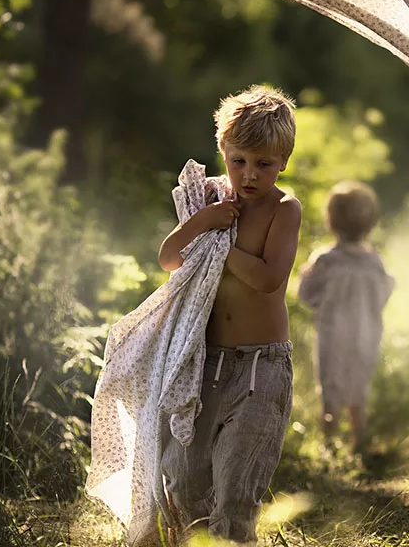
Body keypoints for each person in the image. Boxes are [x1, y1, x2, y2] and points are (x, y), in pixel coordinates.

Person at [156, 85, 301, 545]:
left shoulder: (284, 209)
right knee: (185, 479)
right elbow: (169, 258)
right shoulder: (211, 204)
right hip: (206, 365)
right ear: (224, 152)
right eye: (239, 160)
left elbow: (267, 278)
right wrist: (203, 223)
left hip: (261, 368)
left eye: (264, 164)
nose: (249, 174)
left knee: (237, 483)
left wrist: (221, 245)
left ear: (283, 163)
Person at [298, 181, 395, 456]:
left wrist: (307, 277)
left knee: (331, 388)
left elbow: (306, 295)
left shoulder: (326, 261)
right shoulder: (374, 262)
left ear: (331, 221)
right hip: (367, 336)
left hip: (333, 336)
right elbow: (385, 293)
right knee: (359, 388)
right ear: (370, 223)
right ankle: (359, 444)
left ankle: (329, 447)